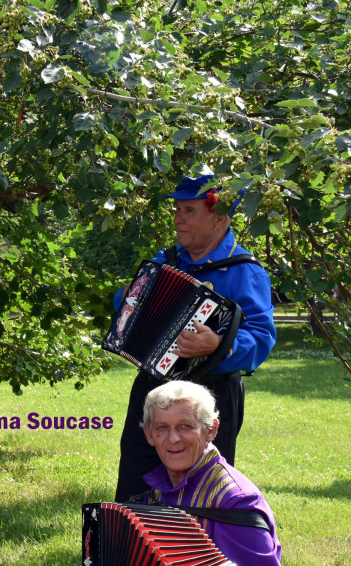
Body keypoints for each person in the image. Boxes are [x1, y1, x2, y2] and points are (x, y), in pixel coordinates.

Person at [48, 381, 300, 566]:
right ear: (148, 435)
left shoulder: (234, 501)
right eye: (162, 428)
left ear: (211, 430)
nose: (173, 439)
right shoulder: (159, 489)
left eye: (185, 426)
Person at [113, 175, 276, 502]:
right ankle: (129, 548)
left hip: (212, 392)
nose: (178, 218)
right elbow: (123, 303)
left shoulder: (245, 270)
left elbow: (261, 336)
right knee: (137, 476)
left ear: (220, 216)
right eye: (177, 209)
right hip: (155, 387)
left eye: (189, 210)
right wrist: (137, 296)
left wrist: (219, 345)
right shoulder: (165, 261)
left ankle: (195, 552)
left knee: (202, 489)